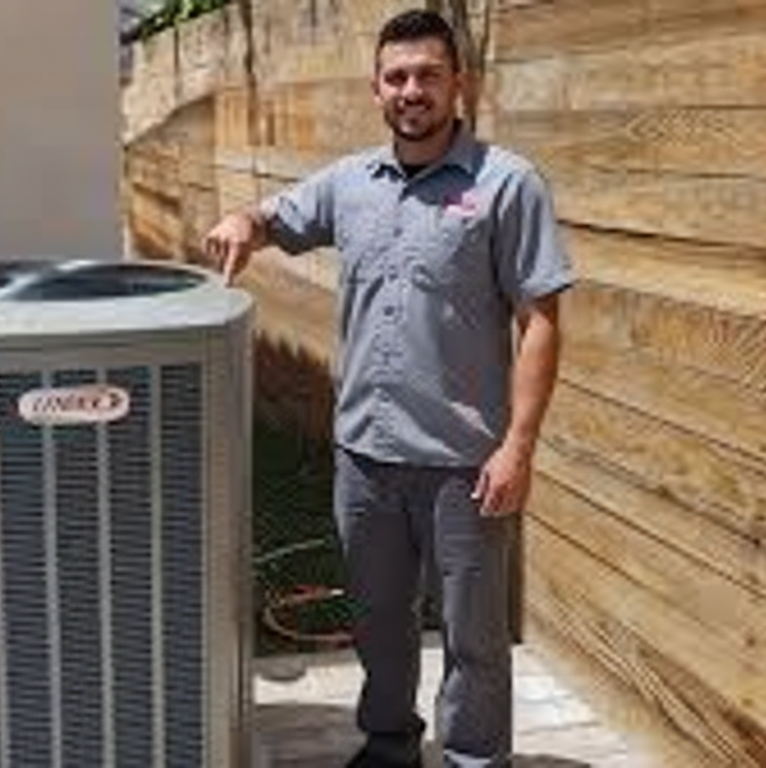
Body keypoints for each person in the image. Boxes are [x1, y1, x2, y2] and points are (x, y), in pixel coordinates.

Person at [203, 9, 572, 768]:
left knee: (473, 636)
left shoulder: (506, 185)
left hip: (464, 462)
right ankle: (390, 744)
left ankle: (473, 758)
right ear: (377, 88)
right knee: (379, 619)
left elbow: (541, 321)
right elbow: (277, 215)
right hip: (365, 458)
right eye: (397, 77)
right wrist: (245, 218)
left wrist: (519, 449)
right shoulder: (350, 184)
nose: (412, 90)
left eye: (428, 75)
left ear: (458, 83)